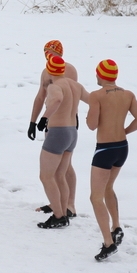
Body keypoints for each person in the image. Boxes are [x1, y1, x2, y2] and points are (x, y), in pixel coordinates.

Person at [85, 59, 137, 261]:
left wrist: (90, 114)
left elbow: (92, 125)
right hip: (122, 147)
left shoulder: (96, 96)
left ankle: (108, 243)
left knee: (95, 197)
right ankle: (116, 226)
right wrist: (124, 131)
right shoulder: (128, 94)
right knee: (108, 187)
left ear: (101, 75)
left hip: (105, 149)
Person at [29, 40, 80, 218]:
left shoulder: (68, 70)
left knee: (65, 166)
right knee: (55, 167)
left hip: (65, 123)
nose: (48, 55)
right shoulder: (46, 72)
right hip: (51, 123)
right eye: (46, 52)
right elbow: (40, 97)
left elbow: (69, 96)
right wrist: (33, 121)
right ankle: (56, 202)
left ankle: (70, 204)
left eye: (52, 52)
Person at [36, 55, 88, 229]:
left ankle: (58, 215)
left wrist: (44, 118)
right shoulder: (75, 85)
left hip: (58, 132)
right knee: (60, 175)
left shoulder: (55, 86)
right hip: (72, 132)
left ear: (50, 70)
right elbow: (92, 100)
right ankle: (64, 212)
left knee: (46, 176)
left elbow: (57, 99)